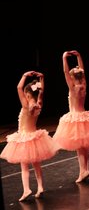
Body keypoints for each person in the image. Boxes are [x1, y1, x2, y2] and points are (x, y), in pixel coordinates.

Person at [0, 71, 58, 202]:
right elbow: (41, 92)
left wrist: (25, 75)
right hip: (35, 137)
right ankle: (40, 187)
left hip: (25, 137)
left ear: (26, 94)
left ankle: (27, 189)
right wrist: (42, 78)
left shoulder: (26, 105)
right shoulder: (39, 103)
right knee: (36, 164)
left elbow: (18, 87)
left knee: (24, 166)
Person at [53, 50, 89, 183]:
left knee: (79, 147)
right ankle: (86, 169)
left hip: (75, 117)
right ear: (81, 76)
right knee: (85, 146)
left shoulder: (72, 87)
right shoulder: (83, 85)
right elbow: (82, 71)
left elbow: (65, 72)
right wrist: (78, 56)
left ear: (72, 78)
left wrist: (64, 56)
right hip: (83, 116)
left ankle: (83, 171)